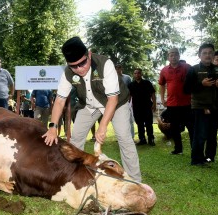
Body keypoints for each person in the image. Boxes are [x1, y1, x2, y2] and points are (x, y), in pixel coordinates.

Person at [42, 36, 141, 182]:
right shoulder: (68, 73)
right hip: (89, 106)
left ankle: (134, 181)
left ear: (89, 54)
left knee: (124, 138)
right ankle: (72, 178)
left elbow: (112, 99)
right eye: (73, 66)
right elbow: (59, 100)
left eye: (82, 63)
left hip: (116, 104)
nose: (79, 69)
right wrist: (52, 126)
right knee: (76, 139)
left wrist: (102, 126)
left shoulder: (105, 64)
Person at [183, 43, 218, 166]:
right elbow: (186, 89)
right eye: (205, 53)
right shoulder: (193, 69)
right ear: (199, 55)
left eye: (210, 53)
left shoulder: (217, 69)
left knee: (211, 135)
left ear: (213, 54)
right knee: (200, 134)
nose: (208, 55)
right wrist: (202, 84)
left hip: (216, 106)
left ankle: (208, 158)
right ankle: (196, 160)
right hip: (200, 106)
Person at [158, 48, 193, 155]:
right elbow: (161, 84)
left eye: (175, 54)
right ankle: (178, 149)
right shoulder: (164, 70)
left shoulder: (187, 67)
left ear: (179, 55)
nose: (173, 56)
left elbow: (194, 81)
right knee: (174, 127)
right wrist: (163, 98)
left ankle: (194, 149)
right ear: (168, 57)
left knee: (191, 127)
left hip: (187, 103)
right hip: (172, 104)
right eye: (171, 55)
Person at [128, 68, 156, 146]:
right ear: (133, 75)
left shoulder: (147, 83)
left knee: (149, 123)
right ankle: (142, 139)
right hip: (136, 107)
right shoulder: (131, 85)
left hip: (147, 106)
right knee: (139, 123)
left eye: (138, 73)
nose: (137, 75)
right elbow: (129, 96)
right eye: (135, 73)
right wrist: (127, 106)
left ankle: (151, 139)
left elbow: (153, 94)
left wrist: (154, 104)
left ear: (141, 74)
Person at [115, 63, 135, 139]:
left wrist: (130, 101)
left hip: (127, 101)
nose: (117, 70)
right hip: (117, 102)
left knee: (129, 120)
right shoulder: (112, 78)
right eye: (116, 68)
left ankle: (131, 137)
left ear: (121, 69)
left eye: (119, 68)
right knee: (119, 121)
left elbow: (131, 89)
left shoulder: (127, 78)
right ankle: (120, 138)